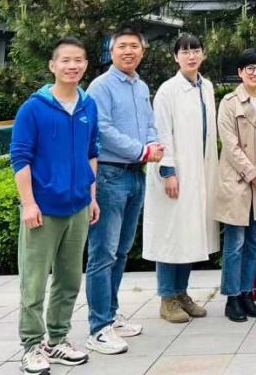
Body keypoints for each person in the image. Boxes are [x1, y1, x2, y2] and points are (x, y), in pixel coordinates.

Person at [10, 38, 100, 375]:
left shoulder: (88, 106)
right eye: (65, 60)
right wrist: (28, 203)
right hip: (43, 209)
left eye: (78, 60)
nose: (72, 66)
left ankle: (57, 339)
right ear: (52, 65)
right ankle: (32, 345)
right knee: (33, 282)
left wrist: (92, 196)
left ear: (86, 64)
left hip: (78, 206)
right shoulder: (33, 108)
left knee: (69, 279)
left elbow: (92, 153)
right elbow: (20, 158)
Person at [85, 27, 163, 355]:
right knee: (102, 253)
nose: (129, 51)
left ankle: (112, 313)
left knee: (120, 251)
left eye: (134, 46)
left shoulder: (141, 86)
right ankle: (98, 327)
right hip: (110, 175)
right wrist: (141, 150)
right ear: (111, 51)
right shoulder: (101, 86)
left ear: (142, 52)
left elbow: (149, 123)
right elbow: (102, 129)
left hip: (136, 175)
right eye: (122, 46)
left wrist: (153, 145)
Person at [145, 34, 221, 323]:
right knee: (171, 235)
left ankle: (182, 293)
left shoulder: (207, 87)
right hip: (175, 173)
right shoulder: (168, 91)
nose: (191, 56)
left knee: (189, 233)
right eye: (185, 52)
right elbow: (162, 133)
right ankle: (167, 298)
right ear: (175, 57)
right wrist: (168, 171)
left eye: (196, 50)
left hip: (199, 172)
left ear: (203, 54)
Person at [215, 48, 256, 322]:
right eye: (249, 68)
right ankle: (232, 298)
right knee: (235, 243)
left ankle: (248, 293)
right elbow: (229, 144)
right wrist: (252, 171)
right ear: (240, 72)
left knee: (255, 242)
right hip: (237, 181)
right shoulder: (229, 103)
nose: (255, 72)